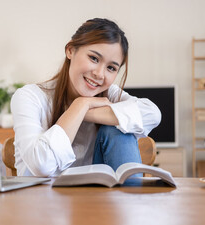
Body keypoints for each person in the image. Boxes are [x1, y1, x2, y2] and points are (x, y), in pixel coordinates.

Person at [11, 18, 161, 177]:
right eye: (94, 58)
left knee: (118, 129)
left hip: (96, 199)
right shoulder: (30, 97)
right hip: (41, 199)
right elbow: (41, 166)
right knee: (120, 120)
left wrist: (84, 112)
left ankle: (129, 200)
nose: (99, 74)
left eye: (111, 68)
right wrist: (79, 106)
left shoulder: (109, 94)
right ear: (70, 50)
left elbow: (152, 114)